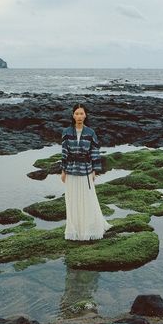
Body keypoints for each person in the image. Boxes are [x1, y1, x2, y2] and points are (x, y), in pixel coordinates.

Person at [61, 103, 111, 241]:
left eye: (81, 113)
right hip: (71, 170)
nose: (79, 116)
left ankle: (90, 228)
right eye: (76, 113)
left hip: (86, 170)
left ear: (85, 115)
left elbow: (95, 152)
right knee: (72, 200)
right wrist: (63, 170)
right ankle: (74, 229)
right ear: (73, 115)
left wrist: (95, 170)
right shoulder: (66, 132)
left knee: (87, 199)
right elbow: (64, 152)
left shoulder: (90, 133)